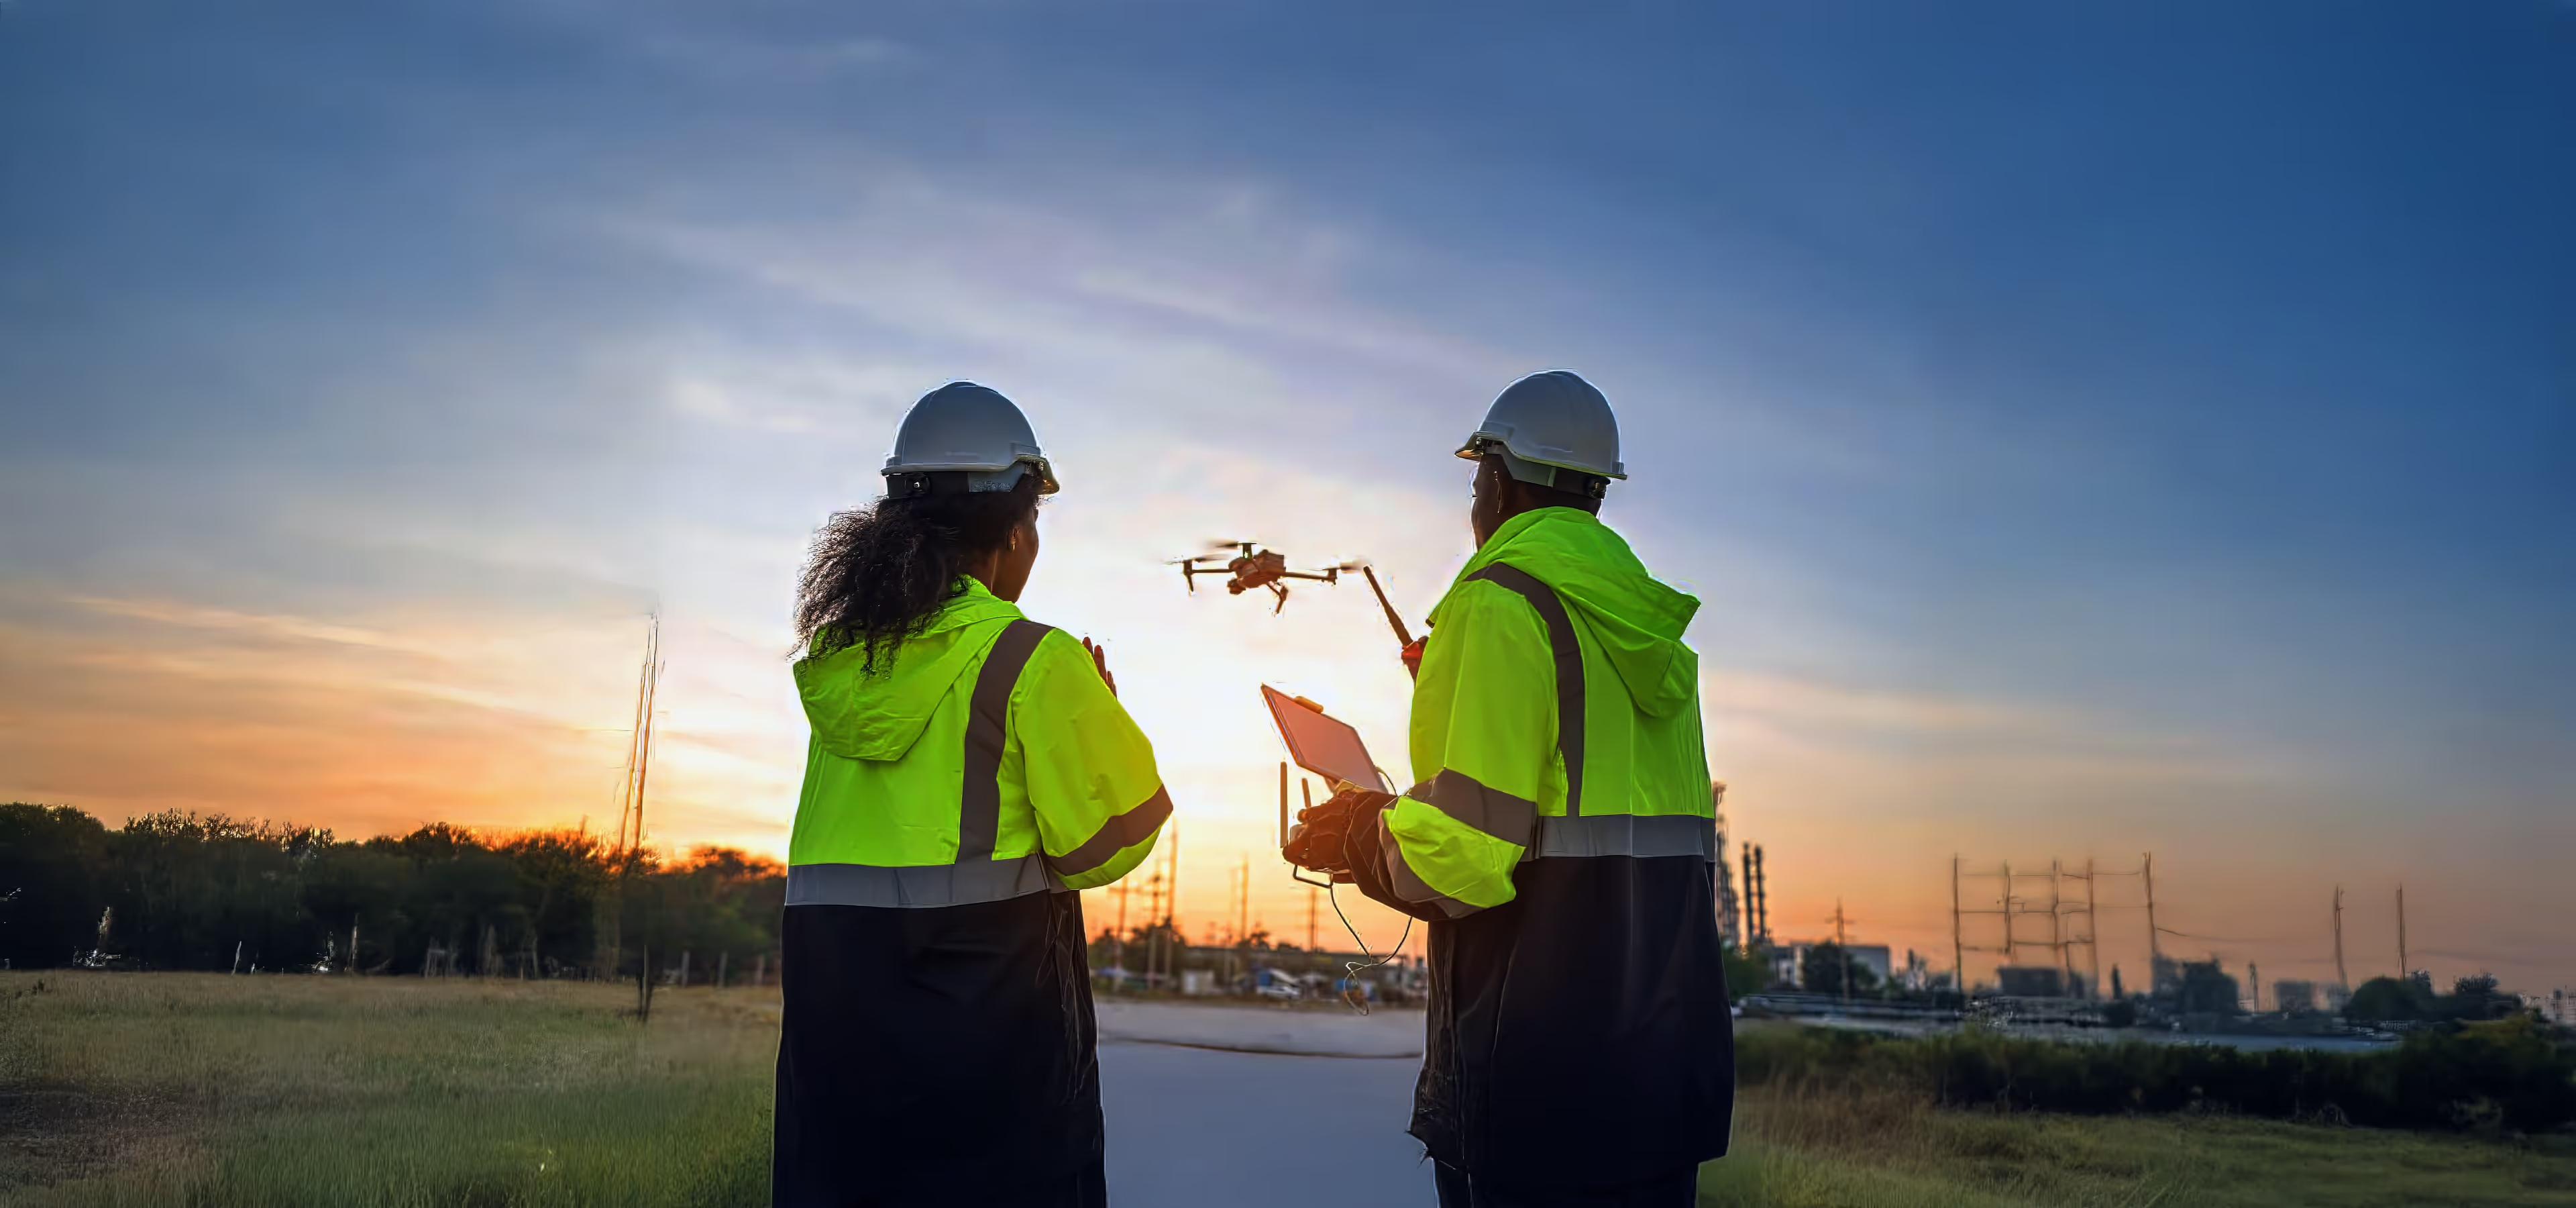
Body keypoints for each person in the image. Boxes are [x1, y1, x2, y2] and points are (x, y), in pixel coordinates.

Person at [1285, 370, 1733, 1207]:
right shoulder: (1643, 629)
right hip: (1665, 1078)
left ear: (1496, 476)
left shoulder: (1497, 603)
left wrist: (1355, 831)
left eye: (1476, 474)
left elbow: (1460, 858)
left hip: (1544, 1083)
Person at [775, 382, 1171, 1208]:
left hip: (838, 1088)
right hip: (997, 1091)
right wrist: (1098, 714)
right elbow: (1116, 839)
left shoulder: (845, 666)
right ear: (1014, 532)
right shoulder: (1035, 661)